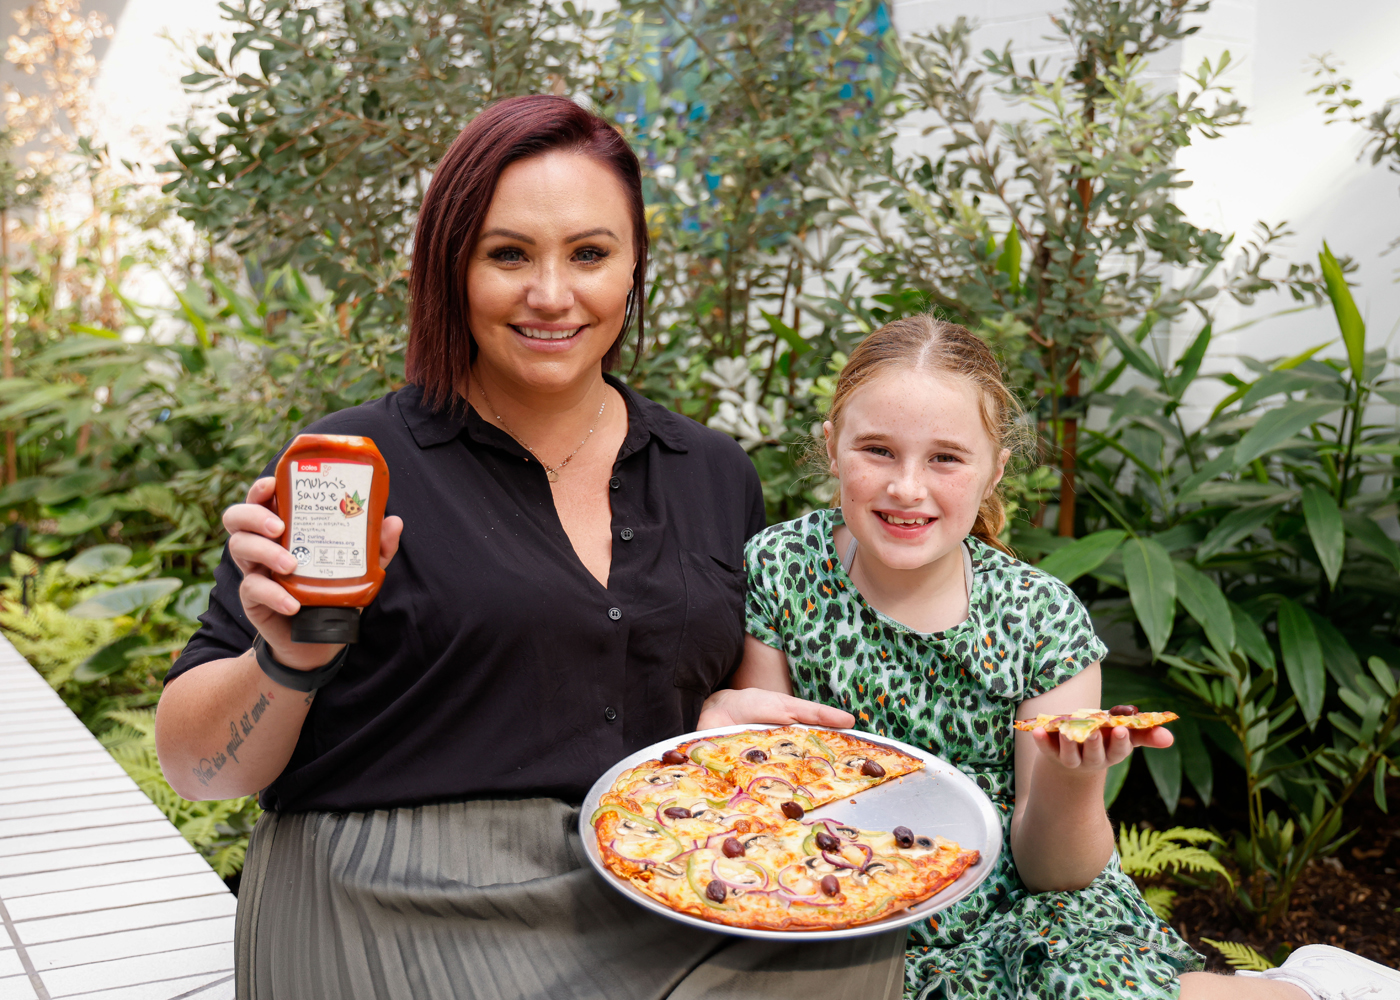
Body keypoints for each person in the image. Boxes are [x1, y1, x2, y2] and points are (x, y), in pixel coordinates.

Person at [153, 95, 900, 1000]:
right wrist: (286, 658)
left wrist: (711, 732)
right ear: (451, 269)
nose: (552, 295)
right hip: (387, 883)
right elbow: (197, 767)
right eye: (508, 254)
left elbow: (717, 700)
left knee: (848, 952)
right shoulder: (356, 465)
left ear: (633, 269)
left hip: (638, 864)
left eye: (590, 253)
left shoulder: (709, 471)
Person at [706, 314, 1400, 1000]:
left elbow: (1055, 872)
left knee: (1079, 986)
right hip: (840, 888)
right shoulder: (782, 566)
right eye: (877, 451)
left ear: (993, 471)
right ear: (832, 448)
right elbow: (770, 785)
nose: (907, 487)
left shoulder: (1041, 619)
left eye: (945, 458)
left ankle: (1306, 990)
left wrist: (1072, 783)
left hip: (1014, 901)